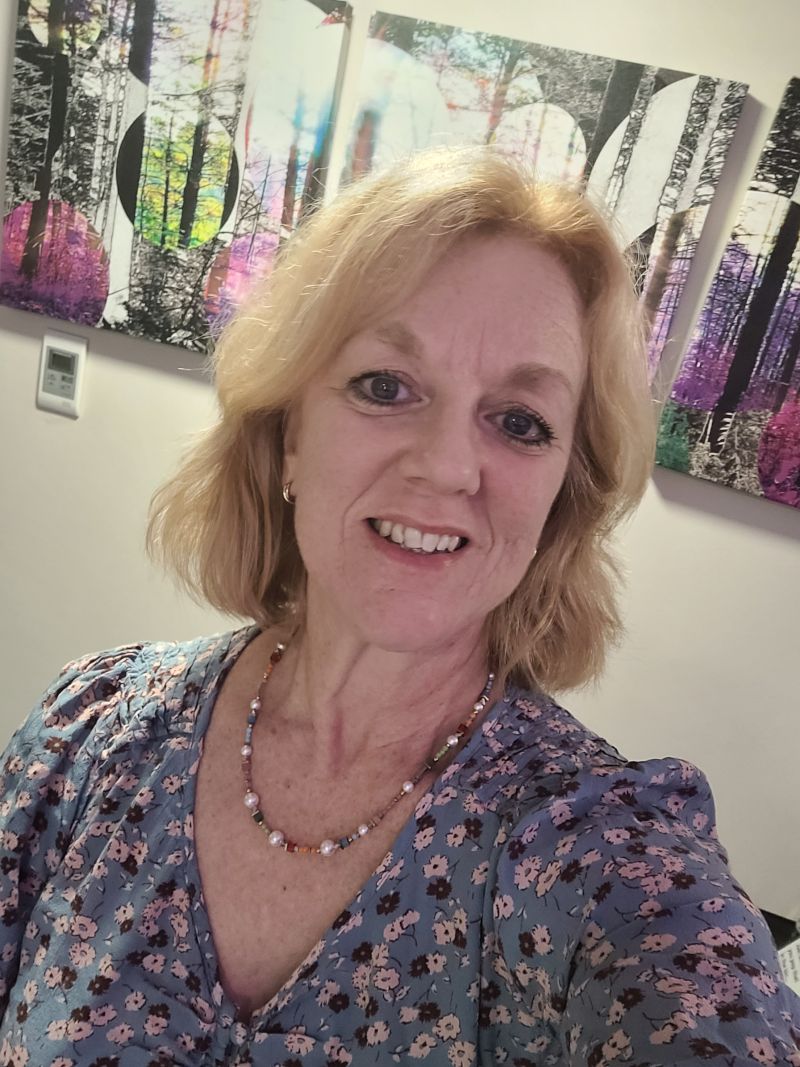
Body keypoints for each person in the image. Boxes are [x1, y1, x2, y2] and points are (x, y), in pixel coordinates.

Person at [1, 148, 798, 1067]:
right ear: (290, 434)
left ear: (559, 501)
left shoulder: (607, 853)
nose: (448, 467)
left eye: (520, 421)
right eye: (385, 386)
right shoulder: (91, 736)